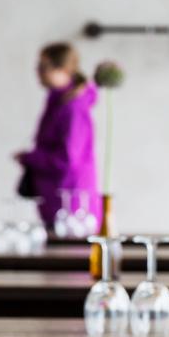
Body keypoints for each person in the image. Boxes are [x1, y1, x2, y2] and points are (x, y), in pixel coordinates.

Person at [16, 43, 102, 231]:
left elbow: (68, 159)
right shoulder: (58, 102)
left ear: (63, 70)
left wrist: (29, 158)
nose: (38, 72)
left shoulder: (73, 108)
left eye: (43, 67)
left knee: (68, 259)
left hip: (71, 209)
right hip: (54, 201)